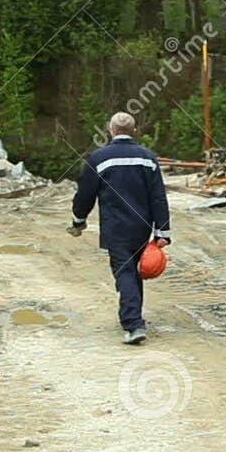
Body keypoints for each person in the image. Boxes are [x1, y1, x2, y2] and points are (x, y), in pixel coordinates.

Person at [69, 112, 171, 344]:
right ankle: (134, 316)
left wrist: (78, 219)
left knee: (125, 271)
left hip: (115, 227)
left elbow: (85, 194)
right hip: (142, 226)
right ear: (134, 130)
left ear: (111, 129)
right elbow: (158, 196)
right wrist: (162, 231)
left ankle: (133, 324)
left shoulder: (99, 158)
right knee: (134, 270)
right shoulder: (147, 158)